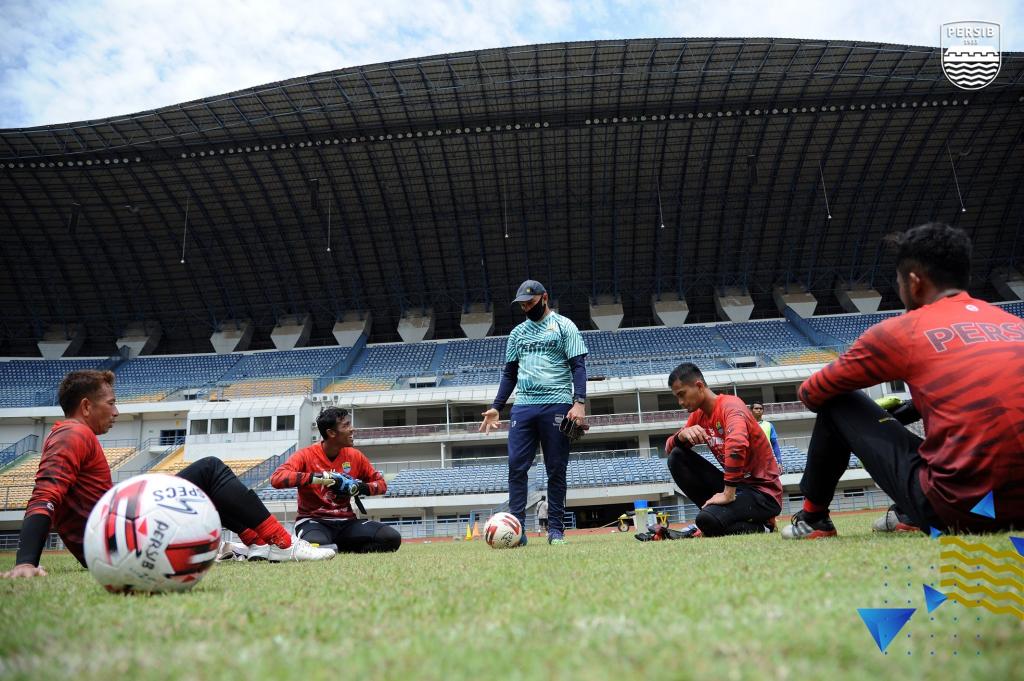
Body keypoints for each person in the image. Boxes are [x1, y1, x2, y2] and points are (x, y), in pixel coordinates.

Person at [781, 223, 1024, 539]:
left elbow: (812, 393)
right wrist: (912, 408)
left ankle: (813, 519)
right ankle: (905, 513)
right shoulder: (1015, 325)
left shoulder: (902, 330)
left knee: (838, 398)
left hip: (961, 510)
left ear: (914, 281)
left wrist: (885, 418)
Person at [1, 370, 333, 579]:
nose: (117, 412)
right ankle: (284, 542)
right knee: (210, 468)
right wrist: (26, 562)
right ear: (86, 406)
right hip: (116, 541)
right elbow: (44, 497)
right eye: (111, 403)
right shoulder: (71, 434)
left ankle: (261, 544)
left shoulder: (76, 435)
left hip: (114, 538)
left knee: (200, 487)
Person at [479, 280, 588, 545]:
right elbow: (510, 373)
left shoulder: (565, 326)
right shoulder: (517, 334)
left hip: (558, 404)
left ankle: (556, 532)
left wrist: (580, 403)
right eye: (522, 305)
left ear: (544, 298)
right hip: (524, 406)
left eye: (530, 302)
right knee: (517, 467)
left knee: (556, 469)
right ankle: (516, 532)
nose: (526, 308)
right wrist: (497, 406)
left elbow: (578, 366)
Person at [664, 362, 783, 537]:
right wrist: (680, 437)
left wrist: (728, 494)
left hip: (762, 494)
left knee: (706, 521)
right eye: (677, 397)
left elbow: (737, 444)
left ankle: (764, 526)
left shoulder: (731, 406)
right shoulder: (698, 416)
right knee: (677, 456)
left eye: (682, 394)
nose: (680, 402)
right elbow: (669, 449)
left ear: (699, 386)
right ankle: (717, 514)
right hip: (737, 487)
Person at [269, 407, 401, 553]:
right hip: (313, 521)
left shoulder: (355, 455)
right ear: (331, 433)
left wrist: (357, 487)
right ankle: (331, 546)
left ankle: (339, 547)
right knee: (318, 545)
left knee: (391, 538)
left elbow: (382, 485)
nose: (352, 429)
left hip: (347, 523)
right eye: (346, 425)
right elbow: (277, 478)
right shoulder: (305, 455)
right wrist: (319, 478)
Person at [750, 403, 783, 468]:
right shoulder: (746, 425)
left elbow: (775, 444)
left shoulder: (769, 425)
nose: (759, 410)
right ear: (751, 410)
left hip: (767, 459)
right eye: (756, 408)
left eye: (761, 409)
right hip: (751, 460)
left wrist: (779, 462)